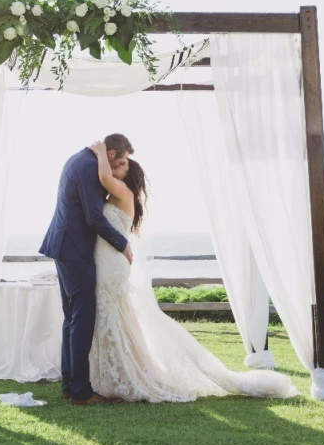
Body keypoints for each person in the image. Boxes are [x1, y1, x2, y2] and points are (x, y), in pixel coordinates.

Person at [87, 139, 299, 402]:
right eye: (120, 162)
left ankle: (127, 374)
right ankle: (117, 371)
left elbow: (103, 175)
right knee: (115, 319)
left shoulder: (120, 191)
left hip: (111, 266)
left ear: (126, 176)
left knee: (112, 316)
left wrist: (99, 152)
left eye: (122, 165)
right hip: (109, 262)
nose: (118, 167)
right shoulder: (116, 194)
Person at [39, 133, 135, 405]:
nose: (125, 166)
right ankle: (81, 391)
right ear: (113, 155)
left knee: (71, 318)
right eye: (124, 160)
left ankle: (70, 384)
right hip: (75, 251)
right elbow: (94, 216)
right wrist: (122, 243)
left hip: (64, 246)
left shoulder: (79, 159)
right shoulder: (89, 166)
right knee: (81, 319)